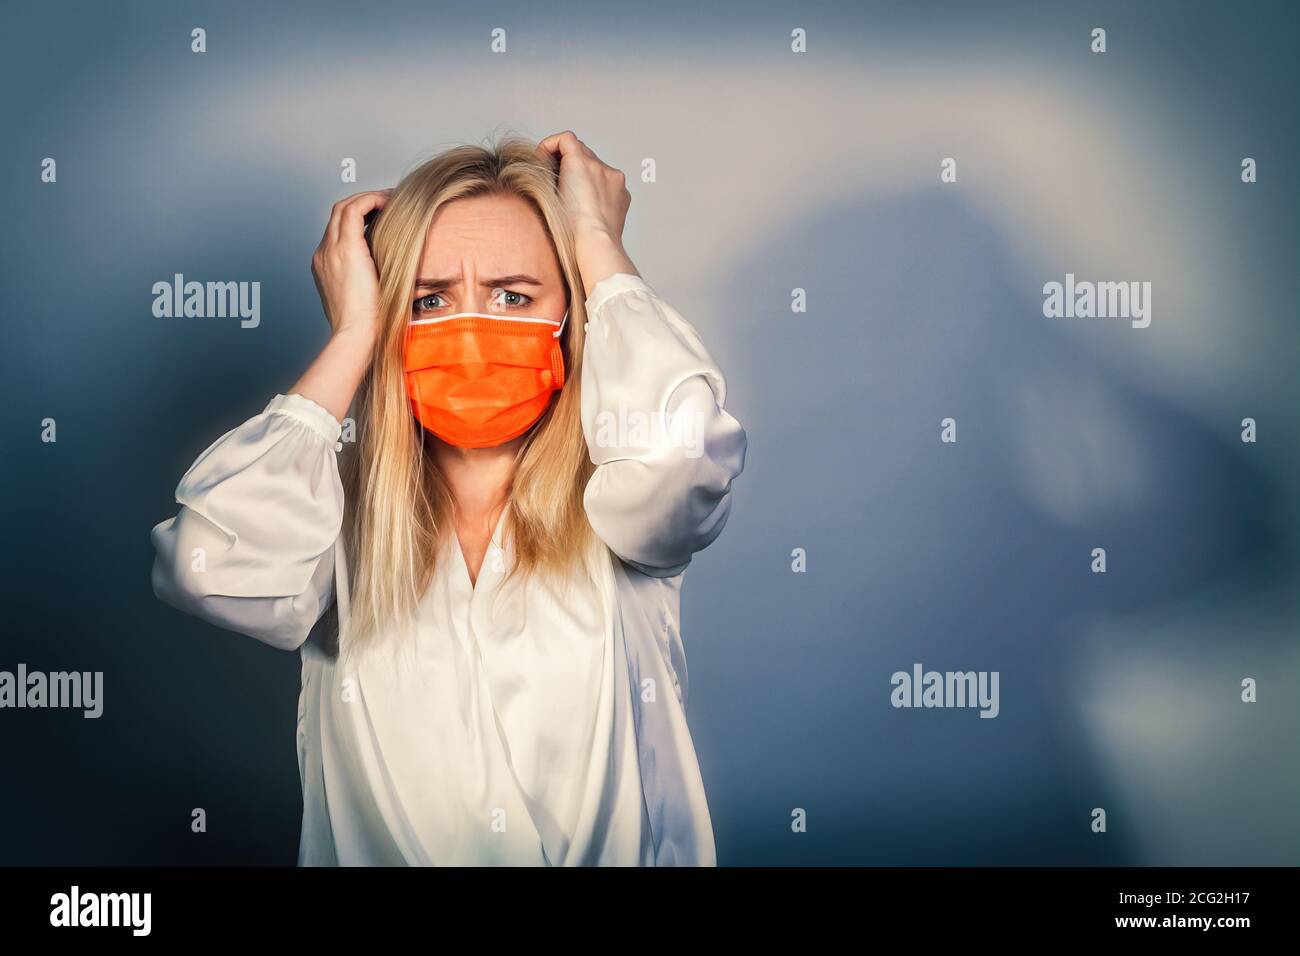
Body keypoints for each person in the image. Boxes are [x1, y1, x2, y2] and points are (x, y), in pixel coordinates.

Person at [150, 131, 747, 865]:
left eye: (512, 295)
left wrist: (596, 244)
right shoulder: (324, 522)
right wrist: (355, 336)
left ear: (572, 317)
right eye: (430, 299)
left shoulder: (619, 508)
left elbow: (683, 451)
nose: (471, 331)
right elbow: (207, 565)